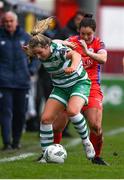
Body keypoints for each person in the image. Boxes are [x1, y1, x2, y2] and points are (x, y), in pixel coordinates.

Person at [23, 25, 95, 163]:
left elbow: (76, 54)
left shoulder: (58, 51)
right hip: (60, 87)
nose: (38, 56)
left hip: (78, 83)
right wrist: (29, 50)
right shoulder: (45, 48)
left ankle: (86, 142)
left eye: (39, 53)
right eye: (36, 53)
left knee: (73, 111)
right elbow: (55, 40)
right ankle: (45, 155)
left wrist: (73, 66)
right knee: (45, 119)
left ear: (46, 47)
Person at [55, 17, 108, 165]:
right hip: (72, 85)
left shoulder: (99, 43)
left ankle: (96, 157)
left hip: (92, 87)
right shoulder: (72, 41)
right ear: (78, 31)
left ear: (94, 32)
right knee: (57, 126)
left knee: (96, 126)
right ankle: (49, 152)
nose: (85, 37)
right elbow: (54, 44)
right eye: (82, 33)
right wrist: (63, 42)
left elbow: (103, 59)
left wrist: (87, 52)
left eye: (88, 34)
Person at [0, 11, 39, 150]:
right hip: (3, 82)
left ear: (16, 22)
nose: (8, 23)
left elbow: (36, 56)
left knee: (20, 113)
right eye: (6, 21)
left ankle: (16, 141)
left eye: (11, 21)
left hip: (22, 82)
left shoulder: (26, 37)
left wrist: (31, 70)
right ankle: (7, 143)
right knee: (5, 112)